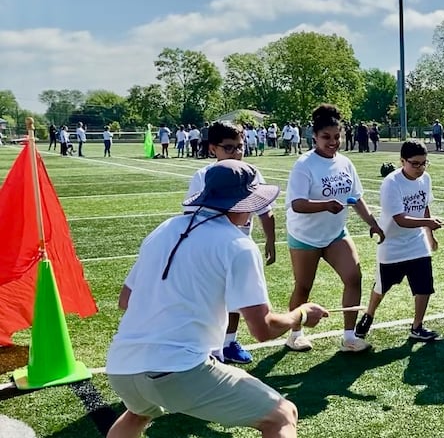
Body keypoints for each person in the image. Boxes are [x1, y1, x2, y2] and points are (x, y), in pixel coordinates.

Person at [106, 159, 330, 438]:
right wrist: (303, 314)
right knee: (282, 415)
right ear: (241, 203)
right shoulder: (237, 244)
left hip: (121, 367)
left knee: (138, 413)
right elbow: (263, 329)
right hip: (177, 369)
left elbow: (126, 300)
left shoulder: (163, 229)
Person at [284, 103, 384, 353]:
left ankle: (349, 338)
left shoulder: (345, 163)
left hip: (335, 234)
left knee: (354, 277)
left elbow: (356, 197)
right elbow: (297, 204)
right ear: (314, 137)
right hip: (305, 236)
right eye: (326, 137)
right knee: (304, 287)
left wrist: (373, 223)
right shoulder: (304, 164)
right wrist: (325, 205)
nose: (333, 142)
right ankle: (294, 334)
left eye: (337, 136)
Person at [184, 122, 278, 364]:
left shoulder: (251, 173)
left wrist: (271, 240)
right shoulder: (203, 176)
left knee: (236, 298)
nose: (236, 153)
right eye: (229, 148)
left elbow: (265, 210)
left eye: (240, 147)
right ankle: (209, 346)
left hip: (239, 243)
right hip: (211, 250)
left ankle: (229, 342)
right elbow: (191, 214)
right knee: (213, 299)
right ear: (213, 148)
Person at [355, 140, 441, 342]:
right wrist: (427, 222)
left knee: (424, 286)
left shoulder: (425, 179)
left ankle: (417, 326)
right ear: (402, 161)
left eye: (424, 163)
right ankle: (369, 315)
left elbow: (424, 206)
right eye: (415, 163)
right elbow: (400, 219)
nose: (420, 168)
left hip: (417, 243)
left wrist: (430, 234)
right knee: (382, 287)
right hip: (392, 244)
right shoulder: (391, 183)